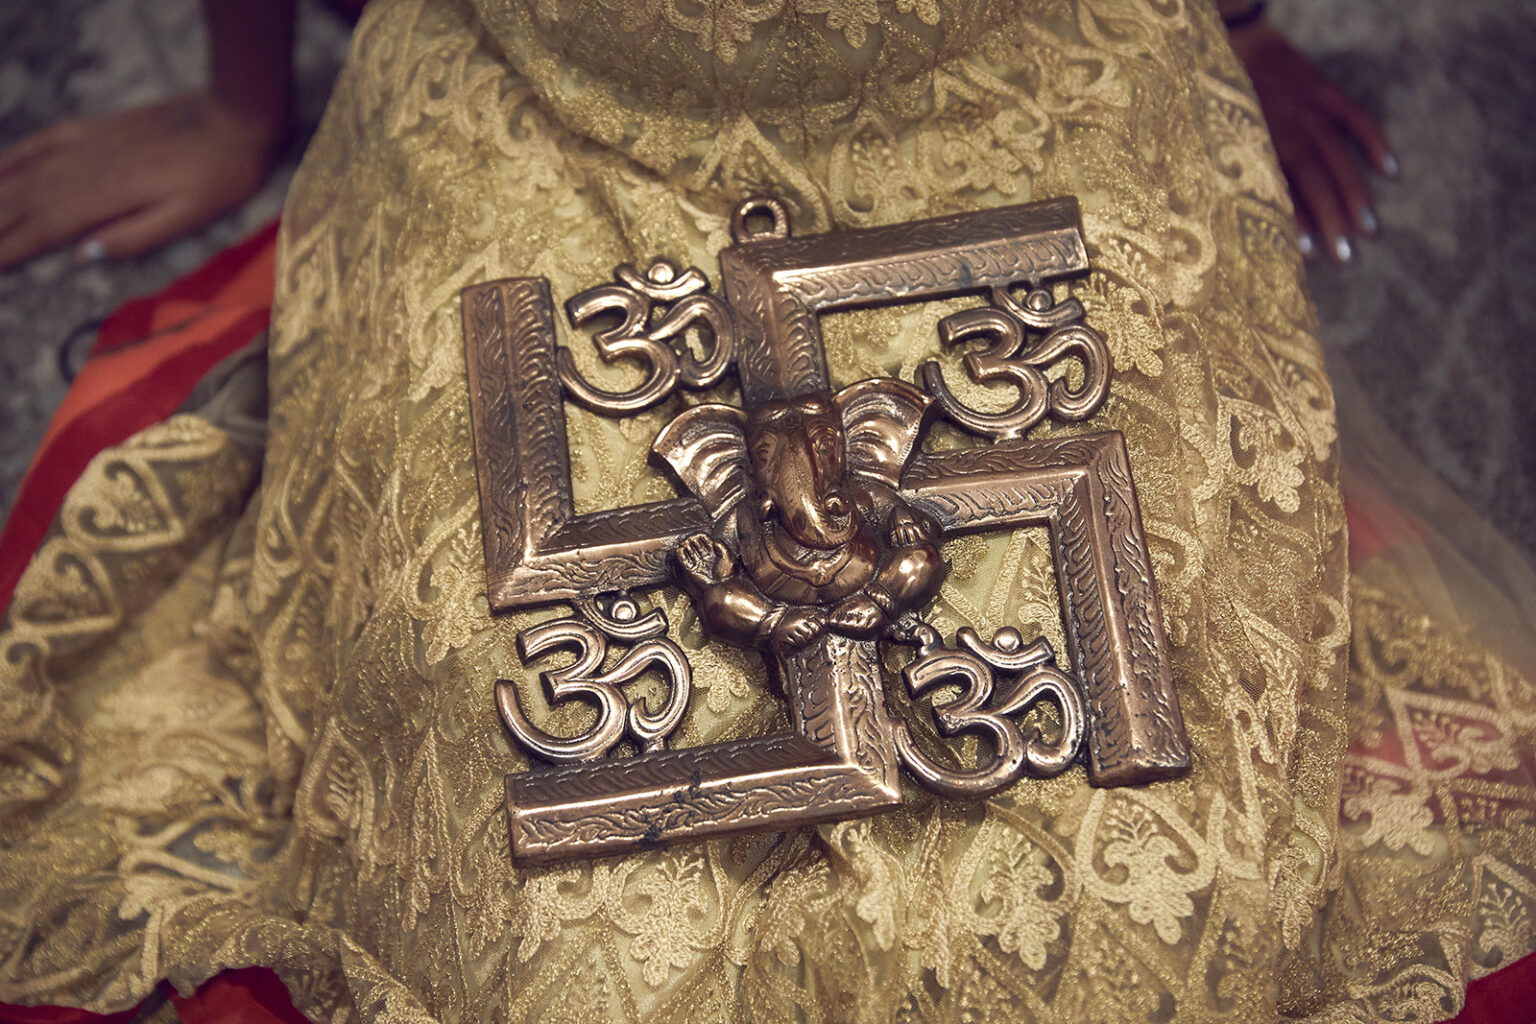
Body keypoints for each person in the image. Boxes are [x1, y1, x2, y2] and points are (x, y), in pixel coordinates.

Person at [2, 2, 1533, 1024]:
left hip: (1018, 74)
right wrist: (236, 99)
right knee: (548, 959)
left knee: (1126, 938)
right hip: (540, 85)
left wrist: (1241, 21)